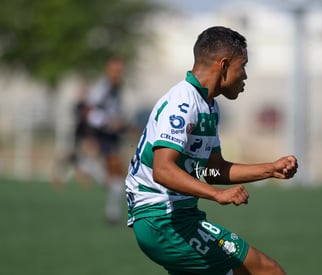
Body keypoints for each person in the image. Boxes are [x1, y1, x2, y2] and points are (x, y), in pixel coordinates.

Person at [125, 26, 298, 274]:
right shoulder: (182, 103)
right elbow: (162, 170)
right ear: (224, 65)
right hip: (163, 220)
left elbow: (213, 169)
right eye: (243, 65)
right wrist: (217, 194)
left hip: (178, 218)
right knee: (266, 271)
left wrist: (270, 169)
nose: (245, 76)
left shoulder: (208, 106)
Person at [86, 56, 128, 224]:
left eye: (120, 70)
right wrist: (108, 122)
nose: (118, 73)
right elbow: (90, 113)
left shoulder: (117, 88)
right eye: (115, 70)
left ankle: (113, 214)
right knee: (116, 177)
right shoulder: (102, 88)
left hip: (113, 136)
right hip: (102, 136)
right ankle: (113, 214)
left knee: (117, 177)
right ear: (108, 70)